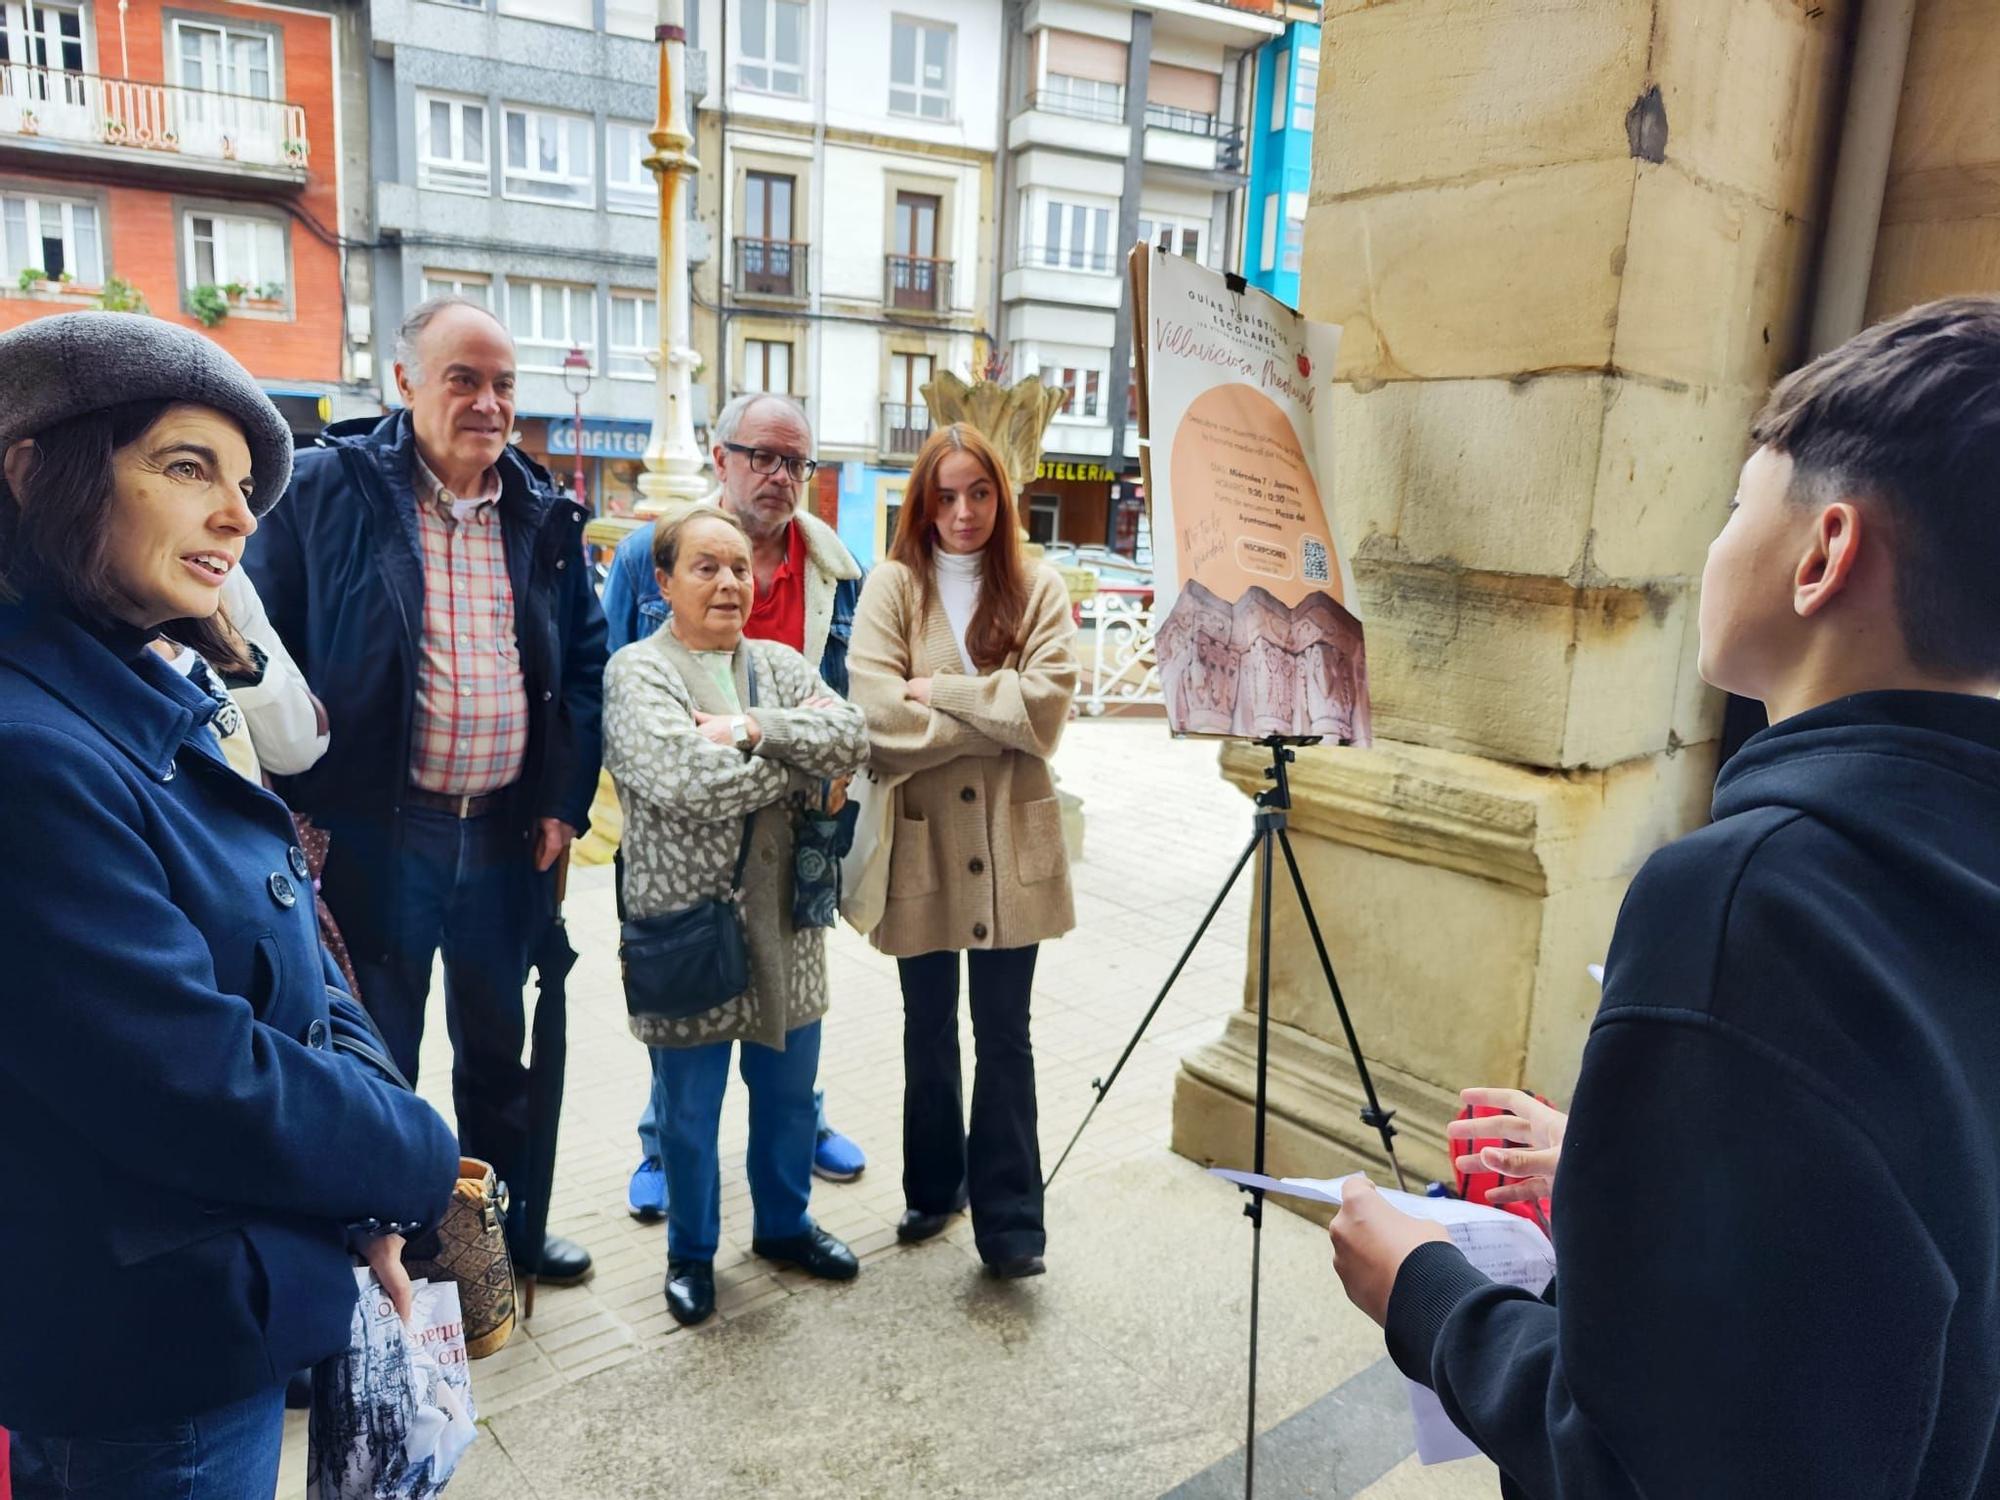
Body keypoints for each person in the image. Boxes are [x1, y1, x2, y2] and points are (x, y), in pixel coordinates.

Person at [1327, 296, 2000, 1498]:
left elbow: (1639, 1462)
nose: (1709, 548)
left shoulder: (1749, 899)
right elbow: (1896, 1249)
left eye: (1736, 507)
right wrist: (1607, 1169)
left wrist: (1422, 1289)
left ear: (1822, 553)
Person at [0, 312, 458, 1498]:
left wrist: (362, 1146)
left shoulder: (138, 687)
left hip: (215, 1317)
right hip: (149, 1363)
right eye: (186, 466)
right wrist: (417, 1154)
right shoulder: (31, 751)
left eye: (245, 484)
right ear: (34, 465)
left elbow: (295, 939)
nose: (238, 517)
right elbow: (191, 1080)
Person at [245, 295, 607, 1288]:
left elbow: (581, 667)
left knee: (499, 1056)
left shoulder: (543, 512)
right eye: (464, 379)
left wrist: (561, 801)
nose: (489, 404)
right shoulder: (325, 492)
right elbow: (256, 648)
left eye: (503, 385)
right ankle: (373, 1263)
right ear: (404, 383)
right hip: (373, 837)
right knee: (373, 1066)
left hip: (500, 840)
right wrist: (288, 806)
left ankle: (498, 1234)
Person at [602, 391, 868, 1222]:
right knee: (688, 1048)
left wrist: (756, 730)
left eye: (798, 462)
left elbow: (846, 719)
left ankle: (788, 1189)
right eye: (764, 456)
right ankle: (671, 1179)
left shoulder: (830, 565)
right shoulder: (647, 556)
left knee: (785, 1047)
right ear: (721, 458)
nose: (781, 475)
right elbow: (641, 721)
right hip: (680, 855)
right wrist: (787, 758)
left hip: (786, 862)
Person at [847, 423, 1079, 1279]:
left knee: (1006, 1032)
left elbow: (1046, 712)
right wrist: (994, 712)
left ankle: (1014, 1222)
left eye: (979, 493)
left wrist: (938, 691)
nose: (963, 511)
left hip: (1010, 839)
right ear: (922, 500)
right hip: (925, 846)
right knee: (928, 1027)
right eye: (945, 495)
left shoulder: (1038, 585)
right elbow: (875, 718)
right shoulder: (892, 586)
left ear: (1001, 497)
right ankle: (932, 1185)